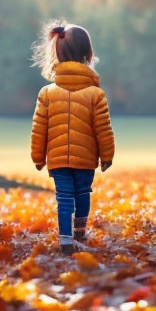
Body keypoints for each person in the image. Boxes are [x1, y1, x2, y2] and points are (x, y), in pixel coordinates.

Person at [30, 21, 115, 254]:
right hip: (85, 160)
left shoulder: (47, 93)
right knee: (83, 193)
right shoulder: (95, 94)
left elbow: (39, 129)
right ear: (88, 55)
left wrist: (38, 157)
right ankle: (80, 231)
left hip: (58, 160)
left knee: (64, 197)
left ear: (57, 53)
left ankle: (65, 239)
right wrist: (107, 156)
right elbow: (103, 129)